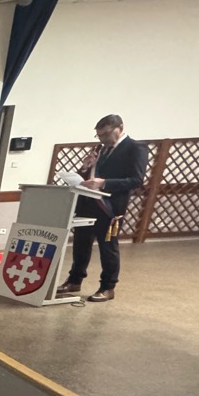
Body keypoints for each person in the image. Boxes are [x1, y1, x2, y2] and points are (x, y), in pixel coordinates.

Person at [57, 113, 149, 303]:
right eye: (99, 135)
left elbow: (136, 180)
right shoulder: (101, 149)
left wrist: (104, 182)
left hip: (110, 206)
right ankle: (74, 280)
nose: (103, 139)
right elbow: (88, 178)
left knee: (108, 247)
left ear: (120, 128)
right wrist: (85, 167)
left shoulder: (135, 148)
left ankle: (108, 287)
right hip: (88, 203)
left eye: (106, 134)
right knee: (81, 244)